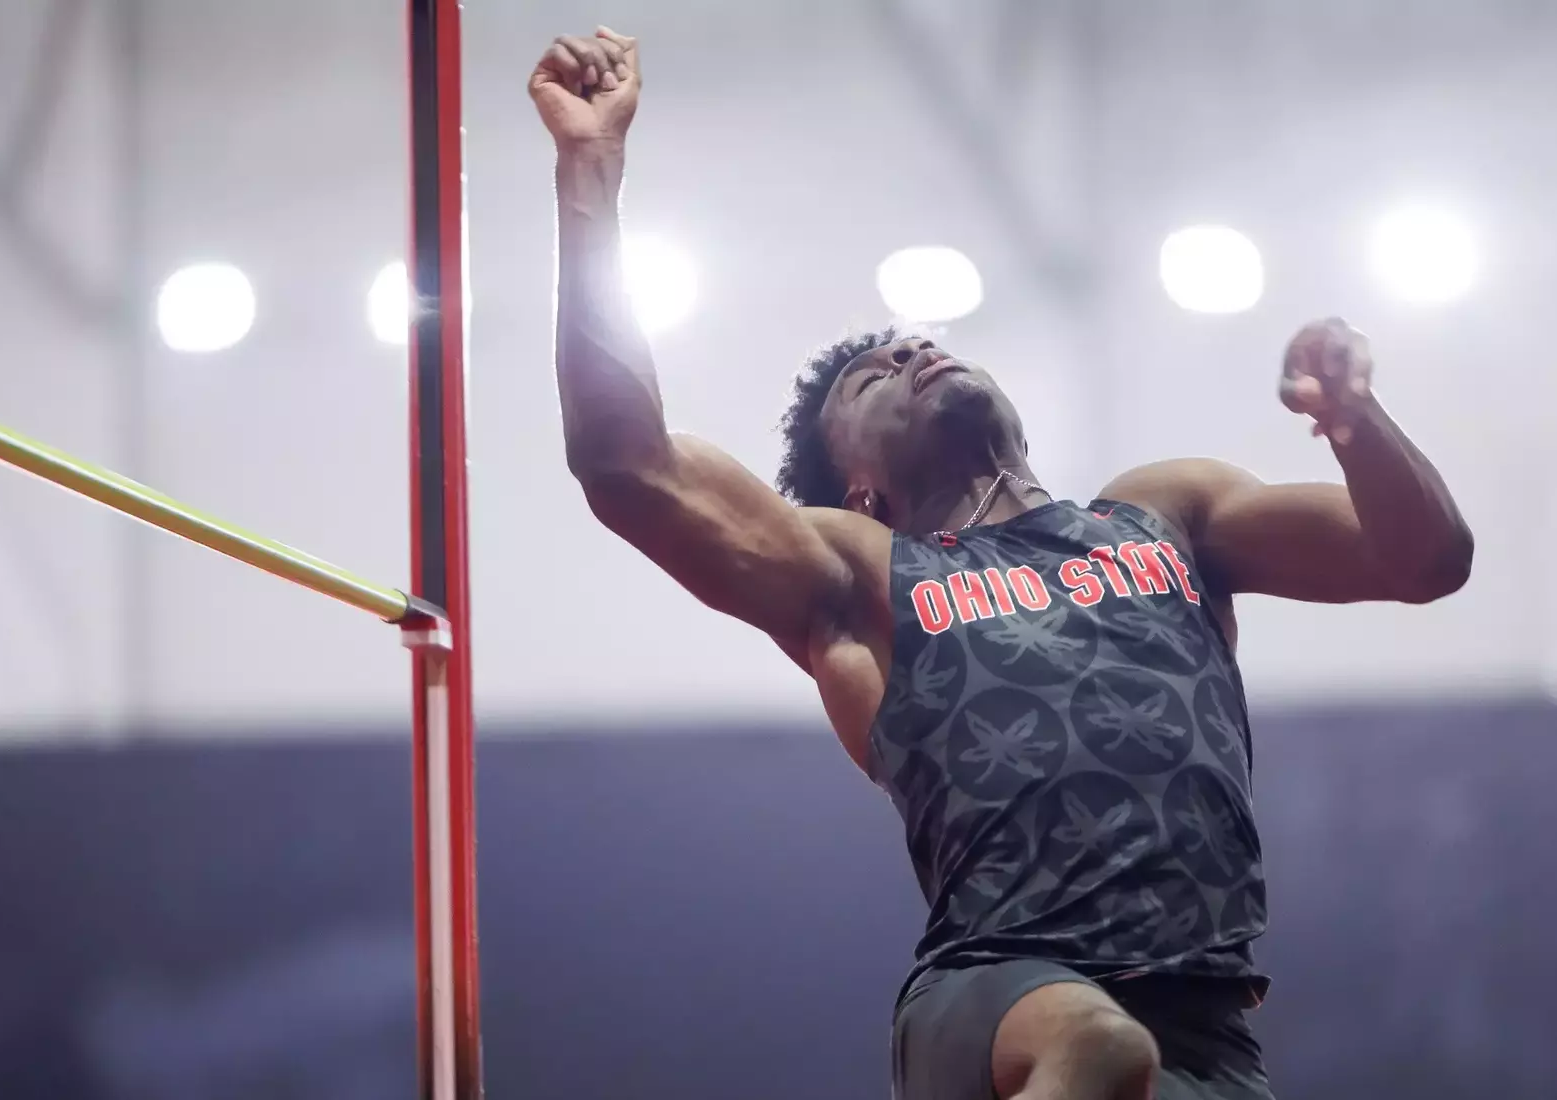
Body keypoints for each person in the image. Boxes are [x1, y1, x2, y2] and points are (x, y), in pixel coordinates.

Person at [529, 27, 1473, 1100]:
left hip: (1208, 1035)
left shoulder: (1166, 511)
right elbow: (629, 463)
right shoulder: (862, 570)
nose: (911, 351)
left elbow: (1425, 559)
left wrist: (1356, 420)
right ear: (858, 488)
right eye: (874, 376)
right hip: (996, 997)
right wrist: (590, 166)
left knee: (1122, 1055)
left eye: (916, 344)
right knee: (1100, 1047)